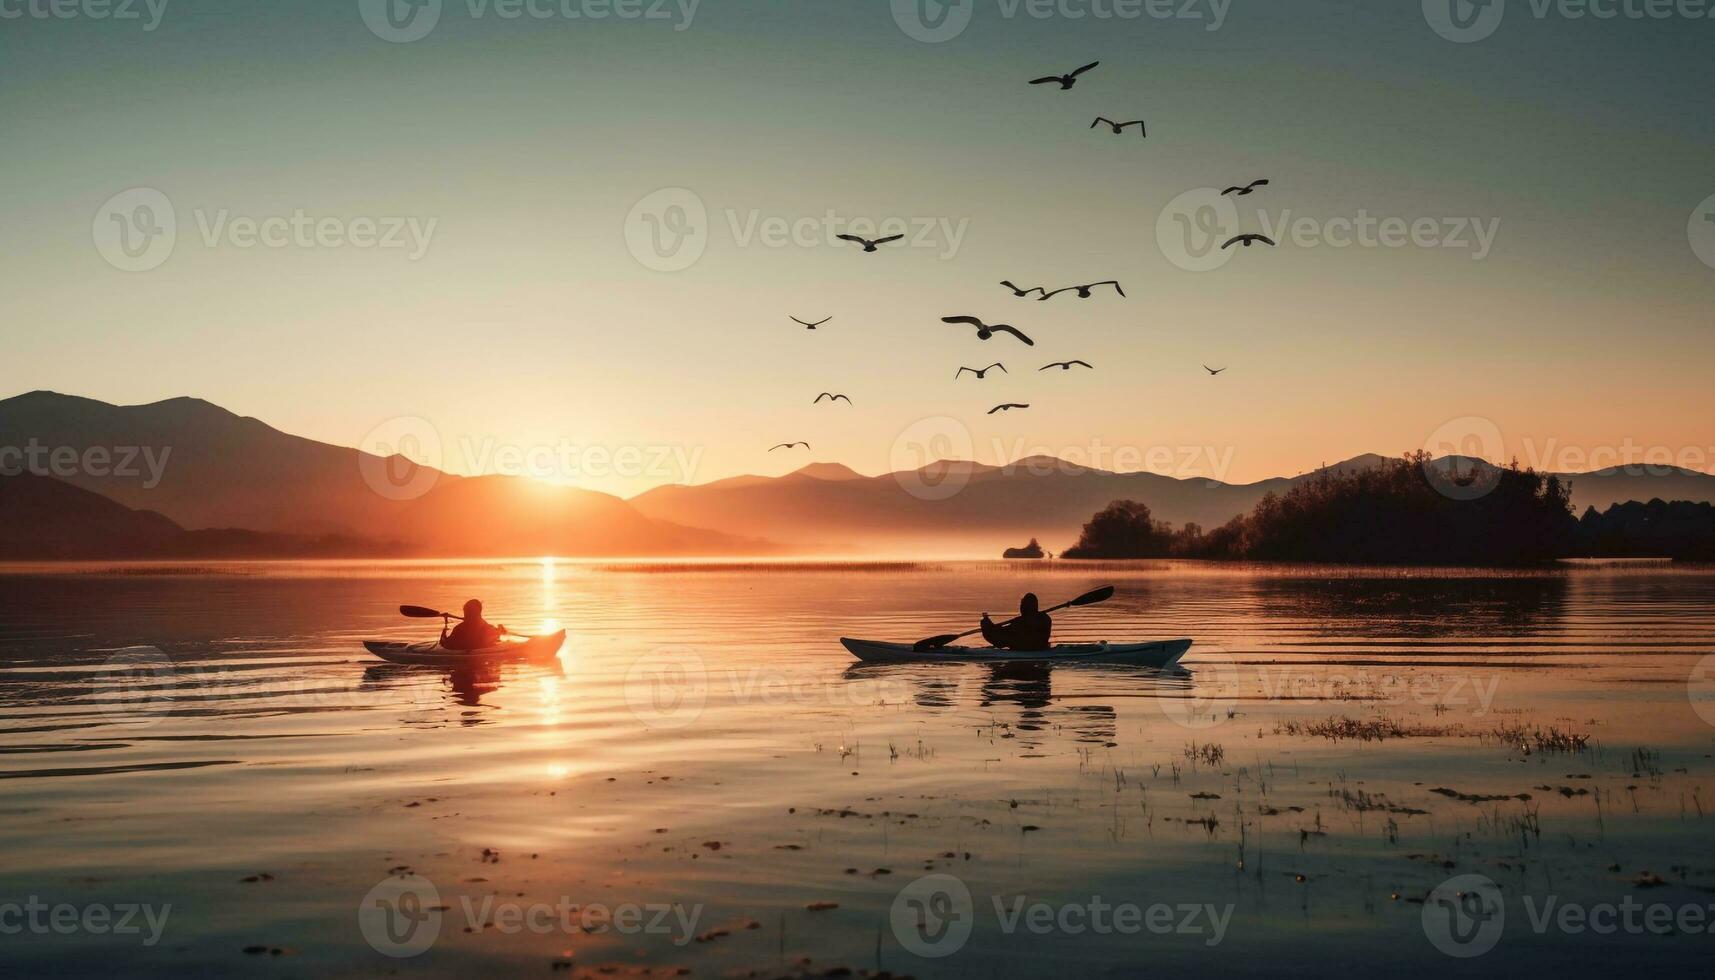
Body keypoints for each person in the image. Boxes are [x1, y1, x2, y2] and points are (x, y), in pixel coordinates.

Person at [980, 593, 1052, 651]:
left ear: (1023, 607)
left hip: (1025, 650)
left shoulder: (1019, 623)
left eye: (1022, 604)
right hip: (1041, 649)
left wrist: (986, 625)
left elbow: (999, 639)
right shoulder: (1045, 618)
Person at [440, 599, 507, 651]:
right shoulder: (459, 629)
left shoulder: (488, 628)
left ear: (478, 613)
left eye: (470, 612)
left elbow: (445, 644)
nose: (466, 614)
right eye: (466, 612)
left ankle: (500, 629)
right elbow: (446, 644)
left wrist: (443, 636)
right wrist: (443, 635)